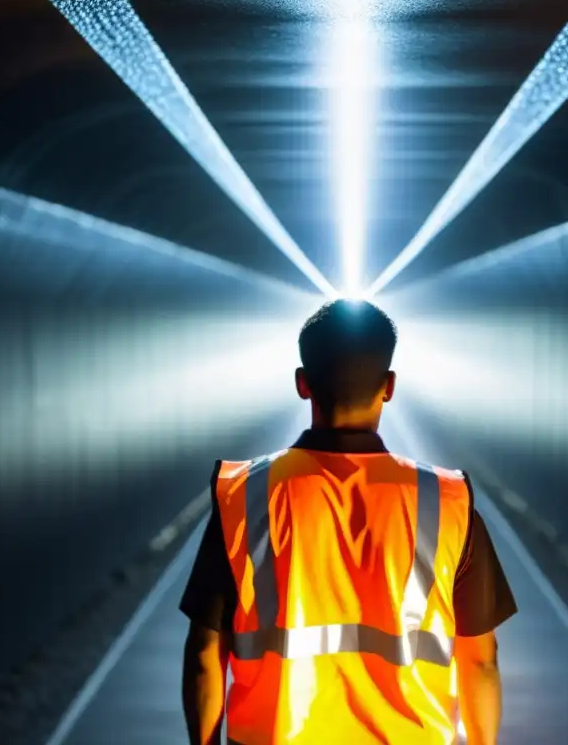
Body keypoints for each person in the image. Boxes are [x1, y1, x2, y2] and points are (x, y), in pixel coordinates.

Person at [180, 299, 517, 744]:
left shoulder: (245, 494)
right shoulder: (445, 500)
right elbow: (480, 660)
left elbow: (206, 654)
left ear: (303, 384)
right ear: (389, 386)